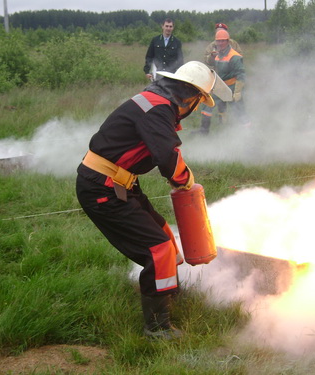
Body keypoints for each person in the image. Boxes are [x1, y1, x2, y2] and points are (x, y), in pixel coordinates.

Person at [76, 61, 230, 340]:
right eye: (199, 101)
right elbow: (167, 158)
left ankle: (168, 297)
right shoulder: (158, 108)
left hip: (120, 183)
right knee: (158, 249)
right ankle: (157, 328)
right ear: (192, 98)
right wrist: (186, 181)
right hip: (103, 187)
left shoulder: (155, 101)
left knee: (164, 237)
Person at [196, 29, 250, 135]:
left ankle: (247, 134)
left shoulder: (234, 56)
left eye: (222, 41)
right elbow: (210, 62)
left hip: (232, 87)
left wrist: (237, 92)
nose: (220, 43)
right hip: (220, 86)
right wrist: (212, 56)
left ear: (228, 41)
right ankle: (204, 130)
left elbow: (241, 75)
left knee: (239, 110)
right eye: (218, 41)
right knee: (207, 104)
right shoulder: (218, 53)